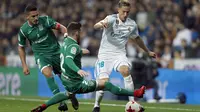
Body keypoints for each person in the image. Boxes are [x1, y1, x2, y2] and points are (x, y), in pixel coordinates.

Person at [30, 22, 146, 112]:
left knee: (67, 94)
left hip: (66, 81)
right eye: (79, 32)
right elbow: (69, 60)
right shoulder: (73, 46)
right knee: (106, 84)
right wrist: (78, 69)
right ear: (76, 33)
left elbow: (68, 52)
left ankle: (44, 106)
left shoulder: (65, 42)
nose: (80, 34)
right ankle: (136, 94)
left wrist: (80, 51)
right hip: (77, 83)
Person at [92, 0, 157, 112]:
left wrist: (147, 51)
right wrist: (101, 24)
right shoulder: (111, 19)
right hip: (105, 55)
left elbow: (137, 39)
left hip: (119, 54)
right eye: (123, 12)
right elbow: (95, 25)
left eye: (128, 12)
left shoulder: (131, 24)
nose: (125, 14)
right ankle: (96, 105)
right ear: (118, 10)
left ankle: (132, 103)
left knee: (126, 71)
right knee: (103, 83)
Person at [18, 5, 78, 111]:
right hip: (41, 56)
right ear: (27, 17)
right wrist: (24, 65)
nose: (36, 18)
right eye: (33, 16)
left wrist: (66, 37)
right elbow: (21, 47)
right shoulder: (23, 30)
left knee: (66, 78)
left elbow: (62, 27)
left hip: (56, 52)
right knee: (48, 73)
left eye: (37, 15)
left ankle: (72, 95)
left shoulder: (45, 20)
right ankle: (61, 102)